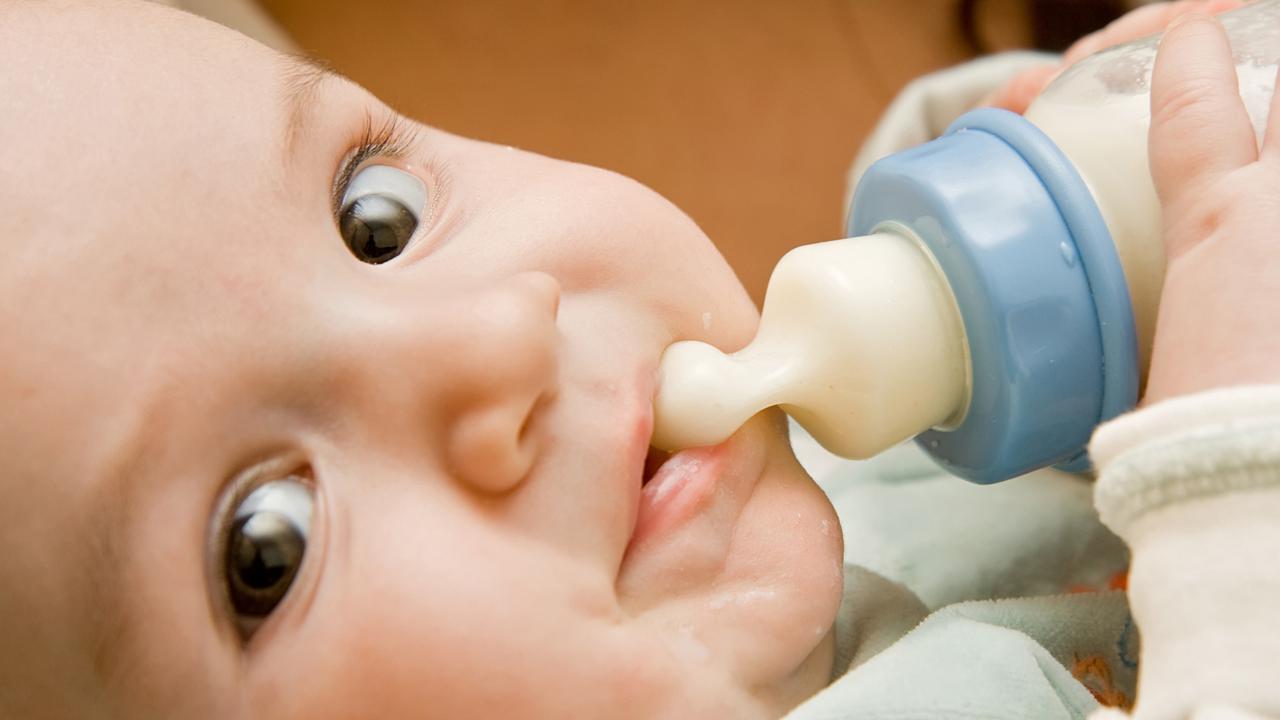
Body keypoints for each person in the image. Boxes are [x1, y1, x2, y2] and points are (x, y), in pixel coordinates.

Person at [0, 2, 1274, 719]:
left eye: (371, 216)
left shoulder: (813, 482)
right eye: (263, 546)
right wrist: (1226, 492)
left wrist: (1087, 190)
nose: (492, 339)